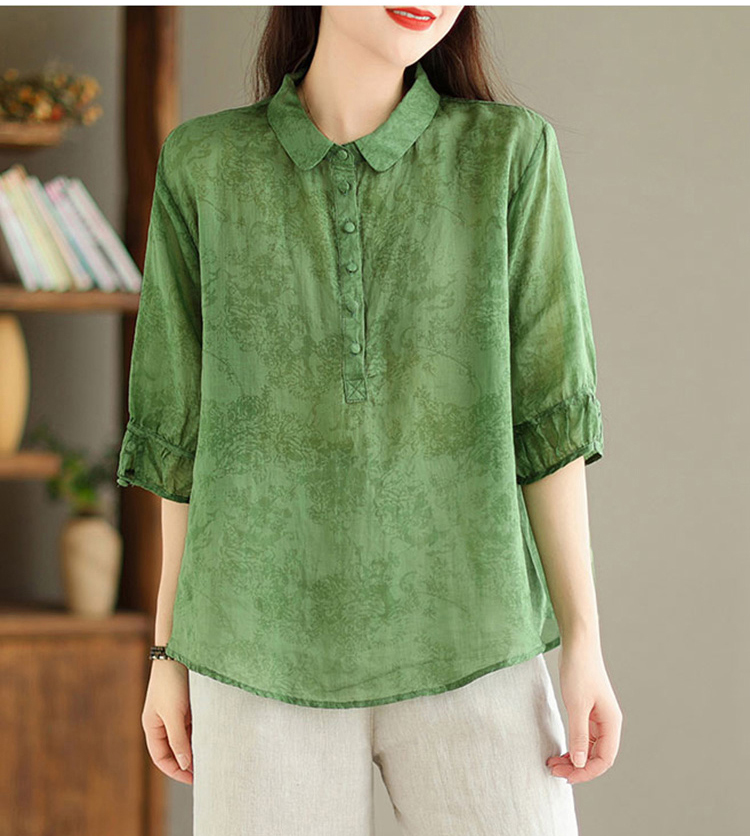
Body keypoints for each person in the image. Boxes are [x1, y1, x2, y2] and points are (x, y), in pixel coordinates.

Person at [116, 6, 623, 835]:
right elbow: (182, 441)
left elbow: (549, 421)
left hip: (477, 639)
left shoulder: (509, 153)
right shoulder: (205, 164)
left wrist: (583, 644)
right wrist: (169, 652)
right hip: (252, 651)